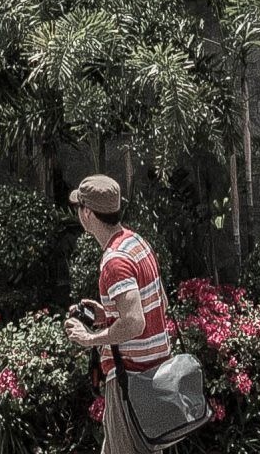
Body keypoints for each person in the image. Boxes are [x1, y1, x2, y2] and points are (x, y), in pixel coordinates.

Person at [60, 174, 171, 454]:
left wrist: (90, 338)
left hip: (130, 380)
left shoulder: (114, 261)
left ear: (87, 212)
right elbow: (160, 303)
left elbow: (134, 322)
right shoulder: (135, 243)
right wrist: (107, 313)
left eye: (79, 208)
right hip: (155, 373)